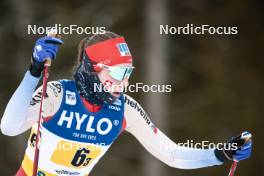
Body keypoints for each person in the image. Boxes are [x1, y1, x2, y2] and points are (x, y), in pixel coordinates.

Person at [1, 31, 252, 176]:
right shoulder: (56, 95)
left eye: (128, 73)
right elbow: (9, 127)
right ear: (92, 69)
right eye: (118, 73)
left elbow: (171, 154)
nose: (124, 83)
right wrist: (34, 70)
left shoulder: (124, 109)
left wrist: (220, 154)